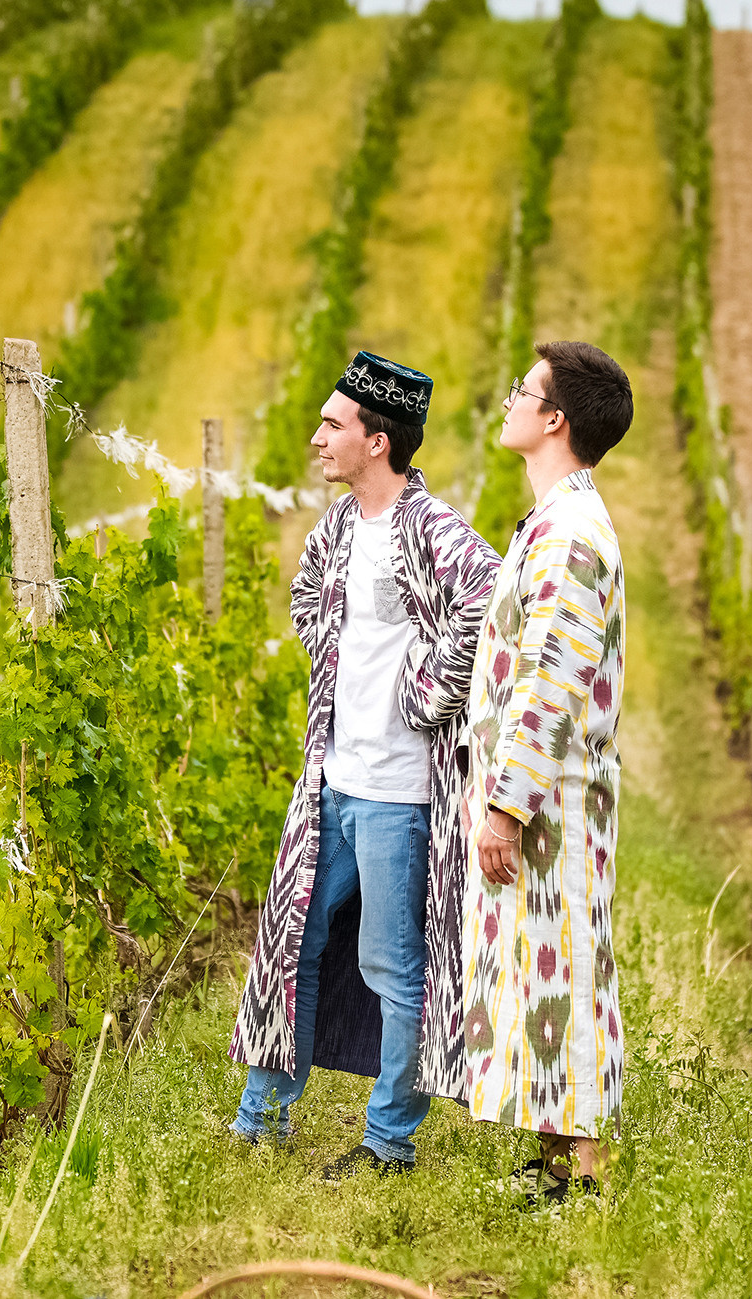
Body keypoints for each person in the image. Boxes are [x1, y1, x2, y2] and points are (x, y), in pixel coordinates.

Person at [230, 351, 501, 1179]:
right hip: (332, 781)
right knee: (292, 941)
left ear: (377, 441)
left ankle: (389, 1142)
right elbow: (309, 598)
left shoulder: (435, 532)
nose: (317, 438)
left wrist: (423, 693)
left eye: (332, 425)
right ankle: (261, 1116)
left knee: (392, 962)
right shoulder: (338, 529)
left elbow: (490, 599)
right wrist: (336, 656)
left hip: (398, 789)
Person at [461, 340, 632, 1205]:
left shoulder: (569, 533)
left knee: (564, 964)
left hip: (552, 798)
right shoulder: (559, 518)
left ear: (555, 419)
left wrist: (506, 807)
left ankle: (583, 1174)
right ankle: (555, 1161)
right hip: (548, 796)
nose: (509, 403)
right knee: (545, 971)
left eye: (521, 392)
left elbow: (550, 679)